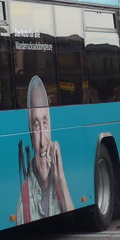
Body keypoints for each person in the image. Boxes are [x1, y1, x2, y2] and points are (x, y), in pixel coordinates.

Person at [16, 76, 72, 223]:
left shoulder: (59, 179)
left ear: (51, 126)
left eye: (45, 123)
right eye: (36, 126)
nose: (42, 142)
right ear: (30, 132)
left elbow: (72, 217)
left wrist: (61, 178)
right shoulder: (24, 202)